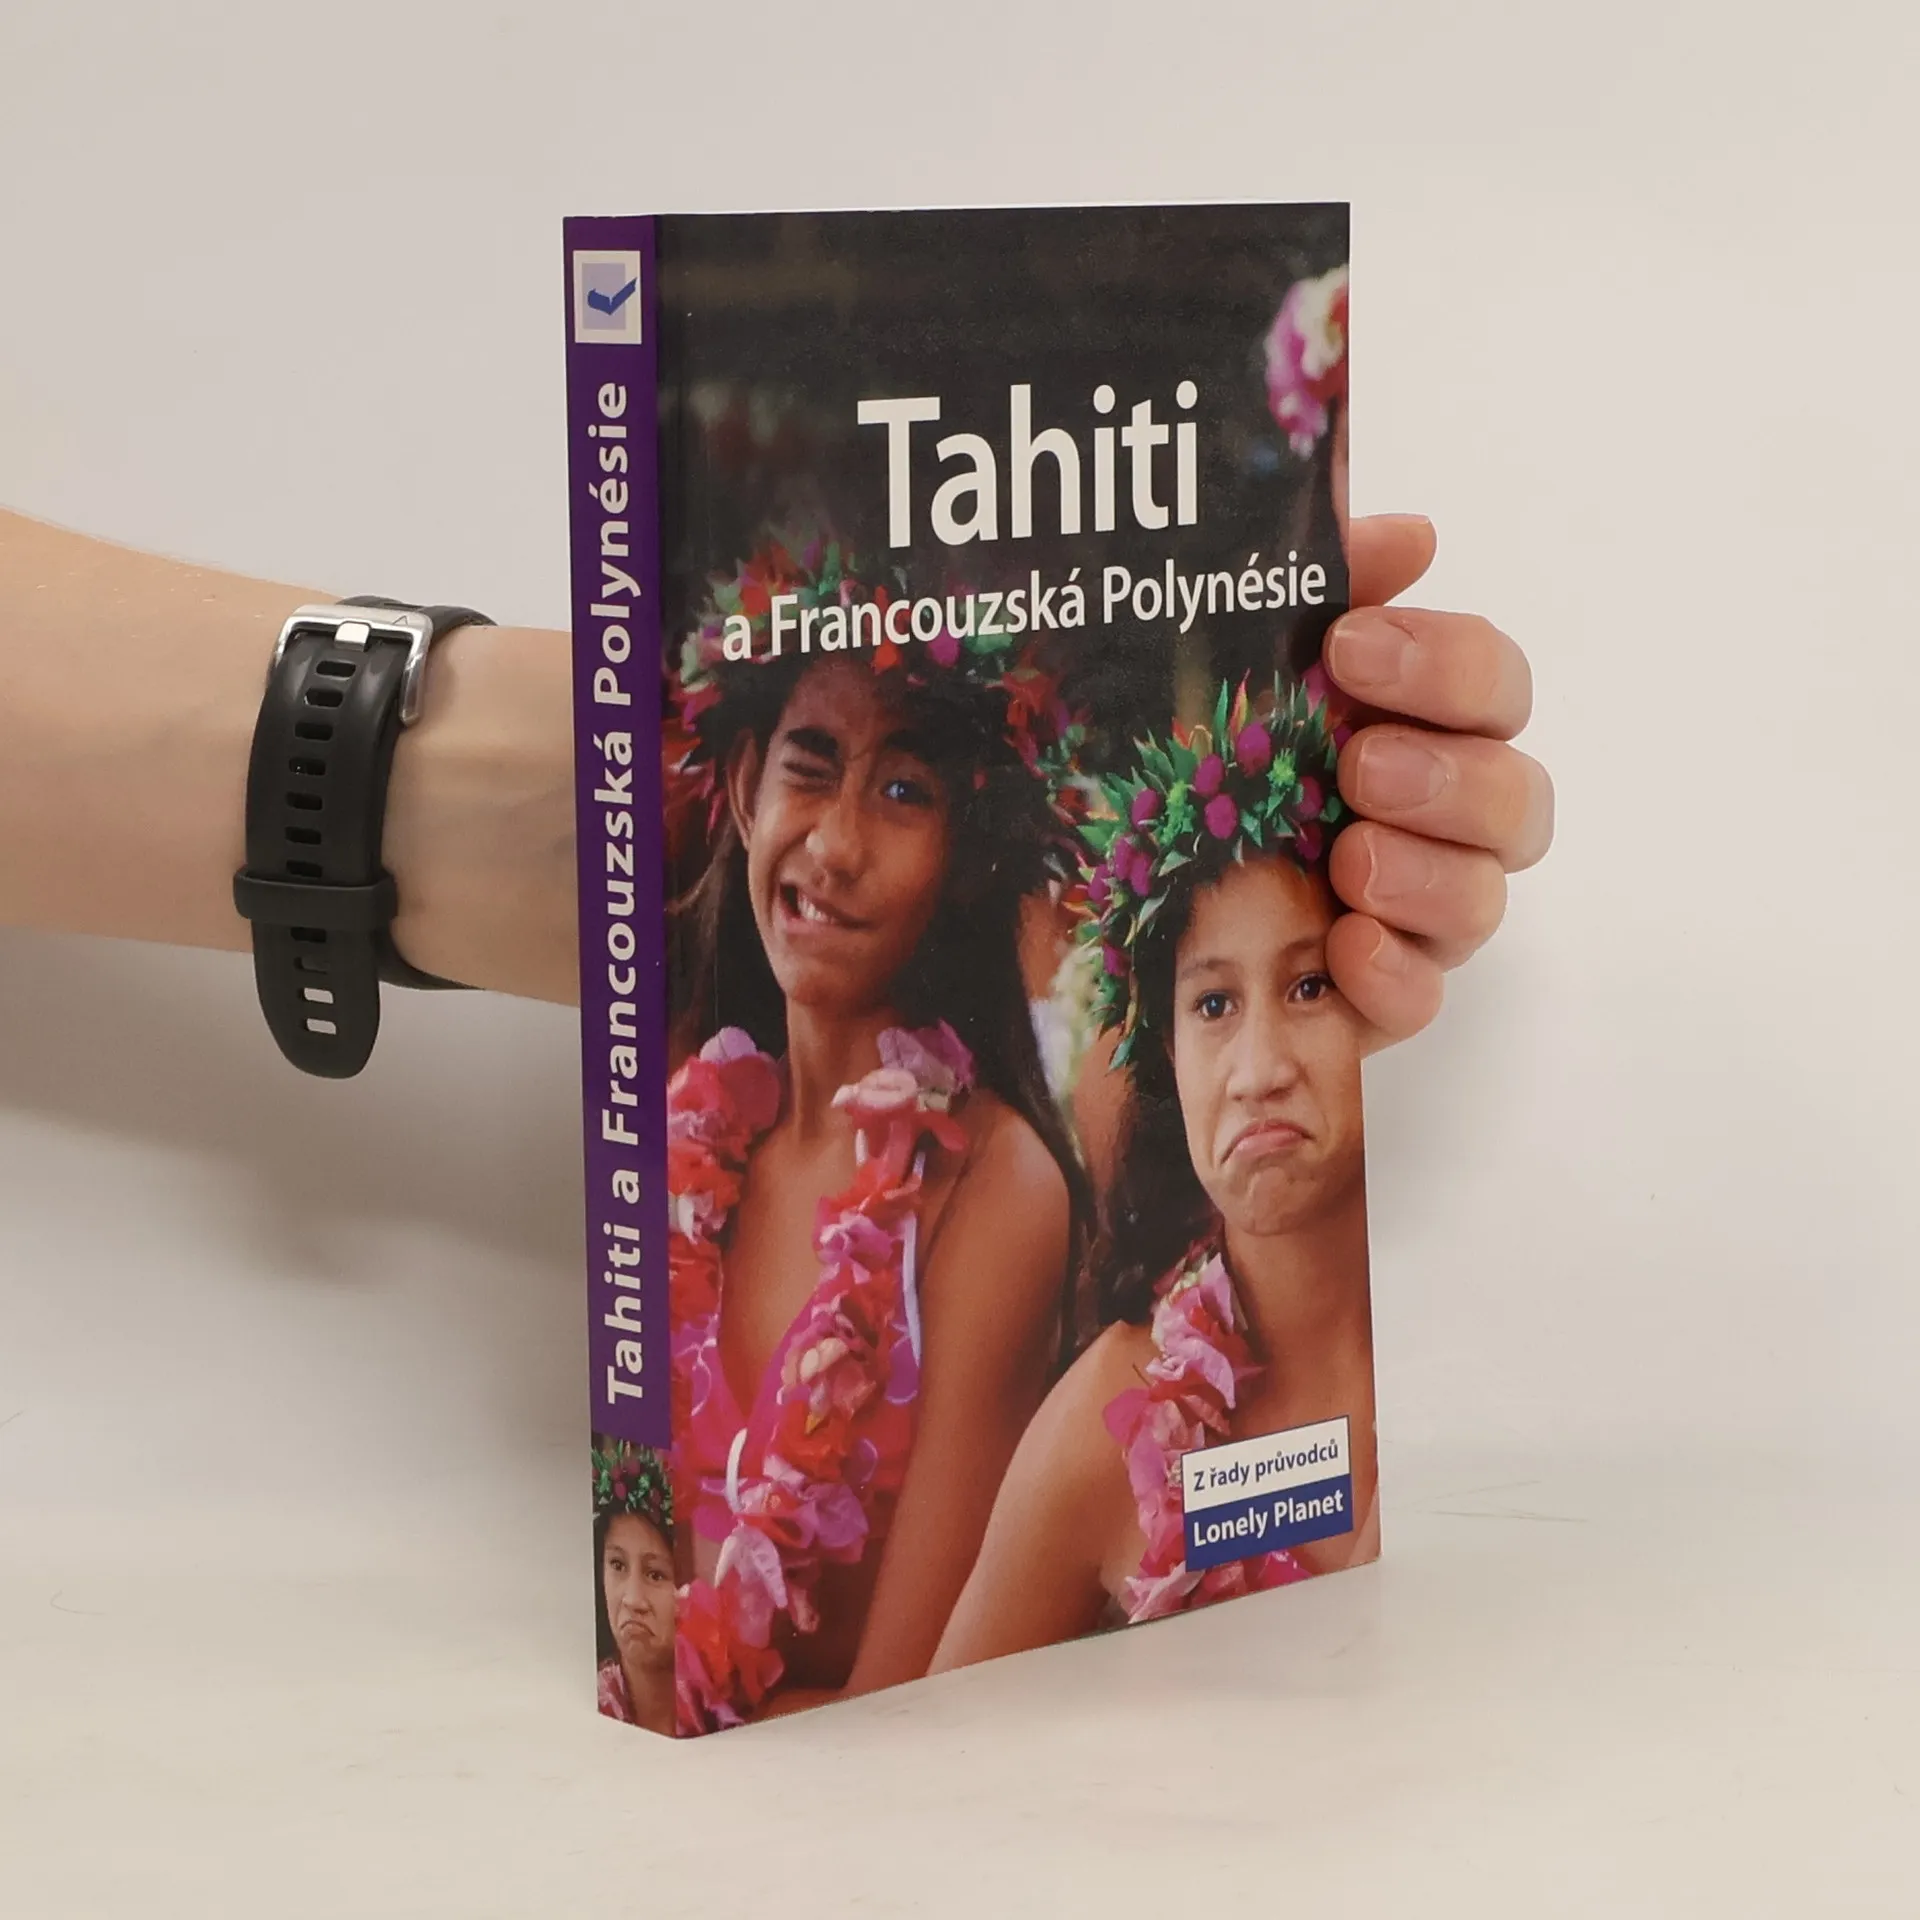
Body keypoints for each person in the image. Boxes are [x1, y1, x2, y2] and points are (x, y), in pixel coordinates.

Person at [660, 533, 1089, 1730]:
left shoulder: (995, 1187)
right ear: (744, 787)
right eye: (811, 770)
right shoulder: (677, 1143)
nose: (836, 846)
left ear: (963, 858)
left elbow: (906, 1707)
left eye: (904, 793)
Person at [934, 678, 1379, 1668]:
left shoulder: (1479, 1348)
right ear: (1168, 1054)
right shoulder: (1110, 1416)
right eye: (1214, 1005)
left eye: (1310, 986)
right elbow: (932, 1736)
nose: (1258, 1072)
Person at [592, 1443, 677, 1735]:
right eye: (617, 1565)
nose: (632, 1600)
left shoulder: (724, 1712)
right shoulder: (601, 1706)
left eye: (655, 1574)